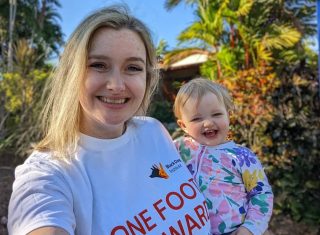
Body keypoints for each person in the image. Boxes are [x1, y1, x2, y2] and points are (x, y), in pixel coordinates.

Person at [7, 6, 211, 235]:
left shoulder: (153, 130)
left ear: (146, 78)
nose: (116, 85)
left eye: (133, 68)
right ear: (72, 73)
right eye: (98, 65)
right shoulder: (49, 175)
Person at [173, 78, 274, 235]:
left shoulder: (242, 156)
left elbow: (261, 194)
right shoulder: (178, 149)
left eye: (216, 114)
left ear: (228, 114)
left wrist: (250, 228)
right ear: (183, 125)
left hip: (235, 231)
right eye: (197, 118)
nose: (207, 123)